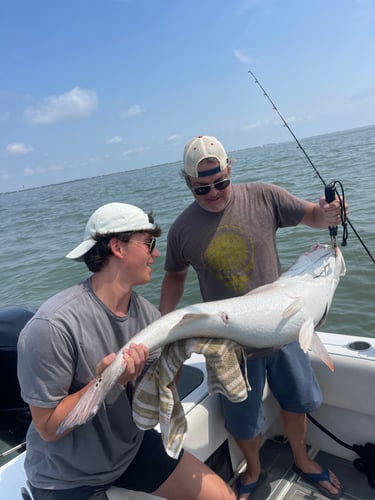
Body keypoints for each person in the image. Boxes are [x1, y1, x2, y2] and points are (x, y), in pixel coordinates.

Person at [159, 136, 344, 500]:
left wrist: (327, 215)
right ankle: (254, 471)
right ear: (188, 183)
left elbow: (310, 215)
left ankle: (301, 459)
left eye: (221, 182)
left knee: (297, 400)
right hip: (230, 344)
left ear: (230, 168)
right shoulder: (182, 229)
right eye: (202, 188)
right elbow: (175, 275)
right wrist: (164, 320)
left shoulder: (264, 196)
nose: (214, 192)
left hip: (283, 327)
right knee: (242, 420)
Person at [17, 202, 236, 500]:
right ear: (118, 247)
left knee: (222, 496)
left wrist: (182, 348)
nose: (155, 253)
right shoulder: (52, 326)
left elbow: (161, 390)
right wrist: (105, 383)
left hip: (129, 450)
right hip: (66, 475)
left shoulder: (148, 317)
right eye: (149, 243)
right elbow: (48, 428)